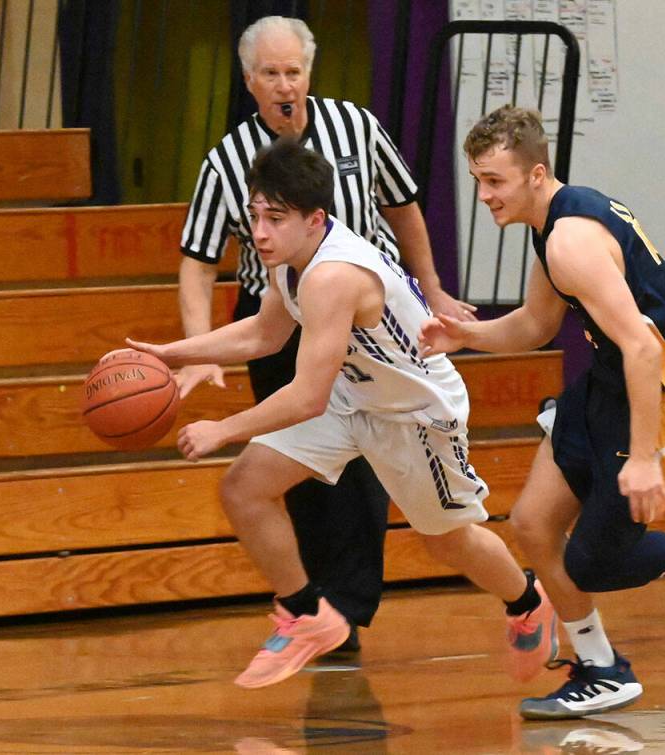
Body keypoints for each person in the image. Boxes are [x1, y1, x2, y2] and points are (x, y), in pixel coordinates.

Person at [127, 139, 556, 689]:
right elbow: (264, 334)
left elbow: (306, 395)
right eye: (255, 215)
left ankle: (526, 601)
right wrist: (175, 353)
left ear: (315, 220)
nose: (259, 232)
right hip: (353, 397)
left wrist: (223, 429)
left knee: (447, 540)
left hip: (415, 415)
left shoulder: (333, 276)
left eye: (275, 218)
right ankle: (309, 615)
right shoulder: (290, 258)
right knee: (244, 489)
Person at [418, 106, 665, 719]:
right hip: (605, 388)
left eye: (494, 180)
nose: (483, 194)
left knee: (597, 562)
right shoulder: (554, 220)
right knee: (533, 523)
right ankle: (601, 669)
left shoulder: (570, 241)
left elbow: (642, 346)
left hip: (656, 393)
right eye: (478, 179)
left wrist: (643, 459)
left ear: (535, 174)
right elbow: (537, 324)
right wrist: (465, 337)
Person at [176, 16, 474, 650]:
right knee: (296, 476)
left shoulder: (356, 126)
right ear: (249, 81)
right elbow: (199, 261)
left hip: (373, 320)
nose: (284, 84)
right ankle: (318, 611)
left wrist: (435, 289)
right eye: (270, 74)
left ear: (309, 73)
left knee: (367, 476)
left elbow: (404, 207)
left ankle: (349, 608)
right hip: (280, 320)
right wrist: (195, 347)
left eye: (294, 71)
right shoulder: (227, 159)